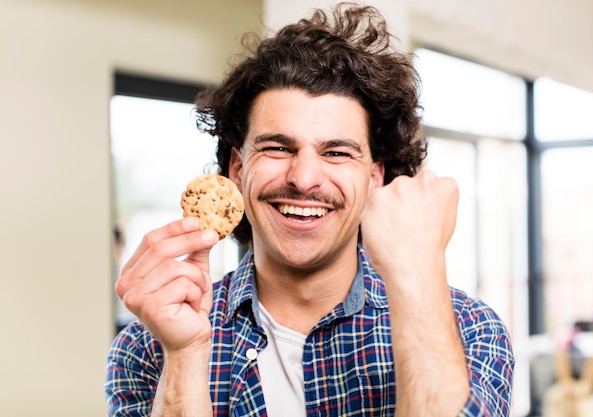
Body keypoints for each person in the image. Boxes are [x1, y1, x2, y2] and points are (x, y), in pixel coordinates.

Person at [105, 3, 515, 416]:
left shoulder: (471, 330)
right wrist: (184, 353)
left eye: (336, 152)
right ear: (236, 169)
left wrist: (420, 265)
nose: (303, 179)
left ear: (374, 179)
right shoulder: (146, 346)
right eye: (278, 148)